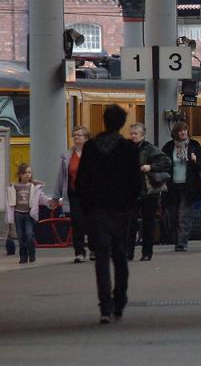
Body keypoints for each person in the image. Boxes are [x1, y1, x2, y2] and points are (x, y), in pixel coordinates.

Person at [75, 104, 141, 324]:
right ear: (122, 124)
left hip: (97, 211)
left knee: (101, 259)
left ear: (103, 121)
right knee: (120, 257)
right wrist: (131, 207)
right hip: (121, 211)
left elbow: (82, 182)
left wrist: (87, 210)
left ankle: (105, 306)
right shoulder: (128, 149)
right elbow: (135, 183)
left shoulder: (91, 148)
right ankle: (119, 301)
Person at [161, 122, 201, 252]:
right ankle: (176, 240)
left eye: (185, 130)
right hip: (172, 187)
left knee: (184, 216)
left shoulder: (194, 146)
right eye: (180, 131)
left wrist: (195, 160)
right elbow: (162, 164)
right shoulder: (169, 147)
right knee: (173, 216)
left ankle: (182, 243)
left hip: (189, 187)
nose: (183, 133)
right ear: (175, 133)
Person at [128, 123, 172, 261]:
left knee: (148, 223)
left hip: (148, 191)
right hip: (131, 192)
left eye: (136, 133)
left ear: (143, 135)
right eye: (132, 133)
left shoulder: (149, 149)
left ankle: (147, 252)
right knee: (130, 223)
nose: (133, 136)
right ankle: (128, 252)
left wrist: (150, 166)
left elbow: (166, 162)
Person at [52, 126, 91, 263]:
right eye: (74, 135)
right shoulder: (67, 156)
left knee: (92, 222)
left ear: (86, 138)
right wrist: (55, 197)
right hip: (74, 193)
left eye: (79, 135)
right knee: (77, 223)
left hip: (91, 195)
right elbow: (61, 177)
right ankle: (79, 252)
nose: (76, 137)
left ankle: (94, 249)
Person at [4, 164, 57, 264]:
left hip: (29, 214)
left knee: (29, 234)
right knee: (20, 236)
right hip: (18, 214)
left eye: (29, 172)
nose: (27, 175)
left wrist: (49, 203)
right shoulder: (14, 186)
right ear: (19, 175)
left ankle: (32, 252)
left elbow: (41, 198)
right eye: (24, 173)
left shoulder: (34, 187)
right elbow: (9, 202)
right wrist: (9, 217)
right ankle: (23, 256)